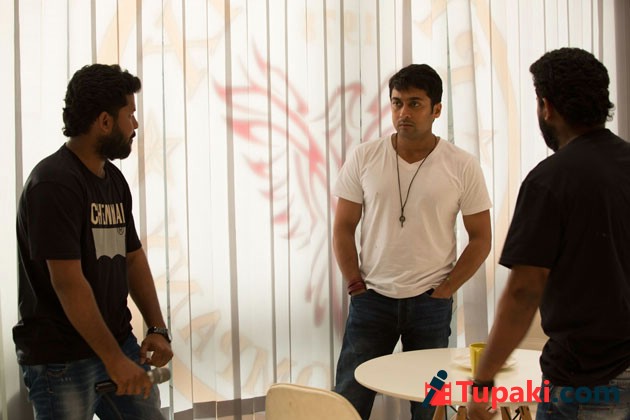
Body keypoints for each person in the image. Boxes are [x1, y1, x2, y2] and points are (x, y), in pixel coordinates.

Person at [467, 47, 630, 419]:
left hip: (586, 381)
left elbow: (524, 291)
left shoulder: (550, 181)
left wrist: (483, 382)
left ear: (546, 107)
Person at [333, 63, 492, 420]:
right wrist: (355, 284)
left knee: (428, 406)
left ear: (436, 110)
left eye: (415, 104)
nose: (403, 112)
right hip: (372, 298)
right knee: (348, 399)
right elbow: (343, 227)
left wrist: (446, 289)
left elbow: (481, 238)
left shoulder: (462, 164)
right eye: (397, 103)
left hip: (430, 302)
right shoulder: (364, 156)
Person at [14, 64, 173, 419]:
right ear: (104, 121)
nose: (135, 125)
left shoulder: (113, 180)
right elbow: (68, 283)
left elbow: (132, 258)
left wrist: (157, 328)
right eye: (129, 115)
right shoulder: (53, 184)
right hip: (62, 360)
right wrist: (114, 360)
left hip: (118, 343)